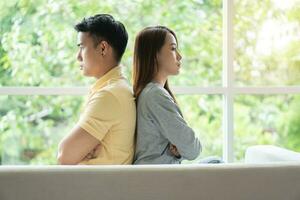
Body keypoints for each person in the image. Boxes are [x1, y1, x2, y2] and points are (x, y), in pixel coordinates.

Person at [57, 14, 136, 165]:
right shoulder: (116, 88)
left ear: (103, 48)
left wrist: (82, 153)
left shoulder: (109, 95)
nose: (78, 57)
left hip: (96, 186)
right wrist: (83, 150)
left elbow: (64, 155)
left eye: (81, 47)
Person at [132, 26, 201, 164]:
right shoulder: (155, 95)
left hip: (158, 174)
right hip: (159, 177)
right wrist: (181, 149)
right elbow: (193, 149)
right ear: (154, 54)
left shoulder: (148, 92)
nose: (179, 56)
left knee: (215, 161)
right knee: (217, 162)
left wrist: (179, 152)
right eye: (173, 48)